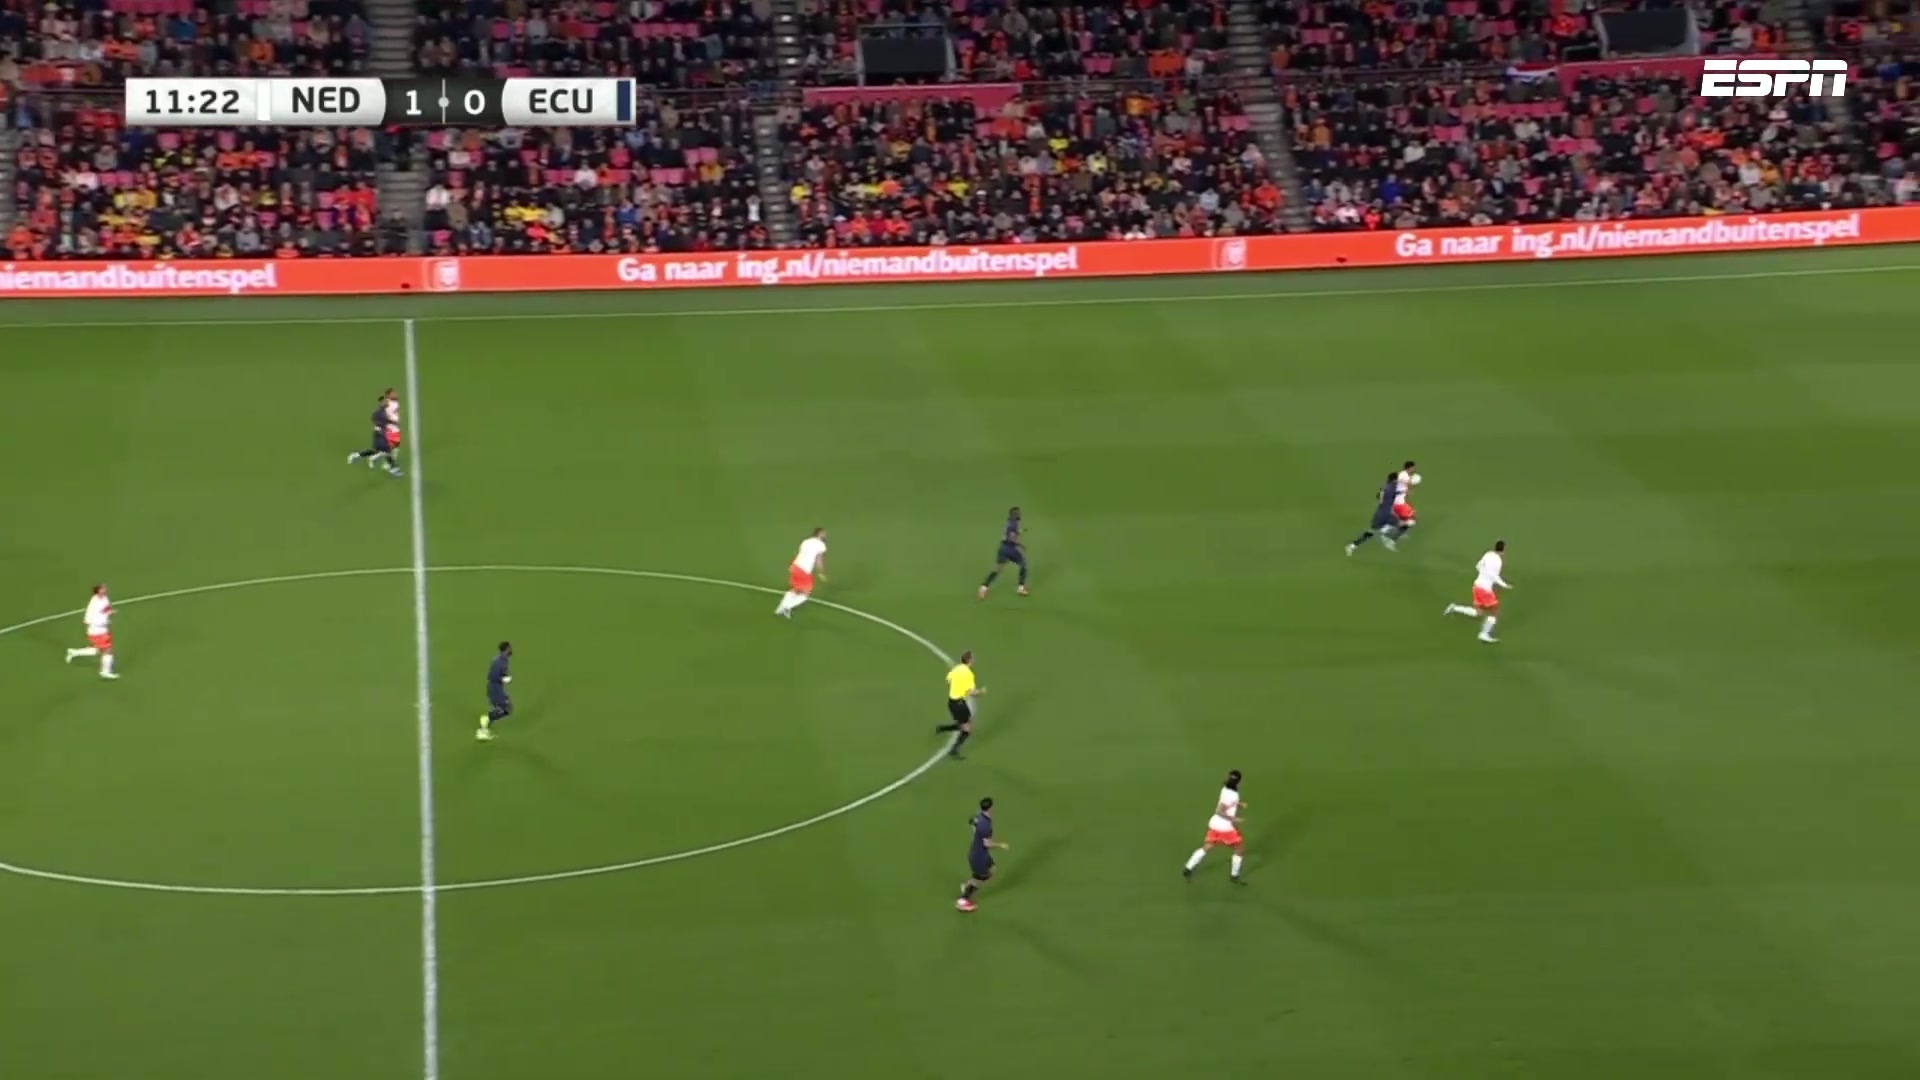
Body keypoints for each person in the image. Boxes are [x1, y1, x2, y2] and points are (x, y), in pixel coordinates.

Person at [1182, 769, 1247, 884]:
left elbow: (1227, 802)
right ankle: (1234, 875)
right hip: (1225, 827)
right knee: (1239, 849)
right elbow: (1220, 811)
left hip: (1215, 823)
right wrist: (1234, 819)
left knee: (1208, 846)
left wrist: (1238, 803)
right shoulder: (1232, 794)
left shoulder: (1225, 788)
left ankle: (1188, 867)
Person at [1445, 540, 1510, 643]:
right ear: (1503, 550)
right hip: (1484, 589)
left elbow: (1478, 566)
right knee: (1494, 612)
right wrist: (1504, 585)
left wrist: (1484, 573)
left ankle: (1454, 608)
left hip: (1477, 585)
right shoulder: (1498, 562)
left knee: (1478, 613)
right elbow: (1494, 576)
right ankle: (1483, 634)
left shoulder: (1488, 554)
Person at [955, 796, 1007, 912]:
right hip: (979, 857)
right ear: (991, 808)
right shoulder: (986, 826)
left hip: (979, 852)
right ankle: (962, 900)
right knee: (980, 879)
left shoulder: (979, 816)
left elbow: (971, 821)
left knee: (992, 869)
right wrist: (1000, 845)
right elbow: (987, 844)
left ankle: (968, 885)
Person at [63, 583, 118, 679]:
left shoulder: (105, 598)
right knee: (108, 650)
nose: (105, 589)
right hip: (97, 630)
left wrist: (110, 612)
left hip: (103, 629)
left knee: (97, 650)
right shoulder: (94, 603)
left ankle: (74, 652)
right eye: (102, 588)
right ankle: (105, 672)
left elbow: (106, 609)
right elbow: (87, 620)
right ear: (98, 591)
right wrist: (100, 622)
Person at [935, 650, 983, 758]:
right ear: (970, 660)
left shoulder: (956, 669)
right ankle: (953, 750)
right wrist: (980, 692)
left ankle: (942, 728)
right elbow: (972, 692)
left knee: (964, 724)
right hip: (960, 704)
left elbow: (948, 680)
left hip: (952, 702)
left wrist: (957, 687)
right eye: (973, 658)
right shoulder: (969, 674)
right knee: (967, 729)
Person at [774, 528, 828, 618]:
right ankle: (786, 607)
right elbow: (819, 561)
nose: (825, 535)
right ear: (819, 534)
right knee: (804, 595)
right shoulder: (821, 545)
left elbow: (799, 553)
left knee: (795, 589)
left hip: (795, 566)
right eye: (823, 533)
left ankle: (780, 608)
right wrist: (821, 573)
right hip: (804, 570)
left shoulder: (805, 541)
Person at [348, 389, 403, 477]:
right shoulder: (383, 409)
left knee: (386, 450)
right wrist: (386, 425)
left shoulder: (390, 405)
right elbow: (377, 418)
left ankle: (360, 455)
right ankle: (391, 467)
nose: (396, 394)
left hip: (389, 431)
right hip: (384, 432)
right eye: (393, 393)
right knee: (386, 450)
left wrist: (393, 423)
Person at [1347, 471, 1403, 554]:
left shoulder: (1387, 487)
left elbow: (1381, 495)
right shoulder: (1391, 487)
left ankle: (1353, 545)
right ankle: (1385, 535)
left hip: (1380, 513)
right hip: (1386, 513)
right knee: (1400, 524)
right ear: (1394, 480)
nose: (1398, 481)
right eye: (1397, 479)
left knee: (1372, 531)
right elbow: (1389, 493)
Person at [978, 506, 1029, 598]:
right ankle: (1020, 588)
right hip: (1010, 549)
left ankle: (983, 587)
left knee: (998, 569)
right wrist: (1020, 545)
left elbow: (1010, 532)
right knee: (1023, 565)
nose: (1020, 514)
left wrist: (1019, 532)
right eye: (1018, 513)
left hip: (1002, 548)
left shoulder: (1009, 522)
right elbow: (1012, 538)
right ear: (1015, 514)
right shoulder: (1014, 523)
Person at [477, 641, 513, 741]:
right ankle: (486, 721)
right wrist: (503, 679)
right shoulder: (498, 662)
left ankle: (484, 728)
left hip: (498, 688)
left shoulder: (504, 660)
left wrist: (504, 677)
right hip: (494, 689)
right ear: (506, 649)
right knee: (506, 708)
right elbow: (492, 677)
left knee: (506, 708)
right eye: (509, 648)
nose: (511, 650)